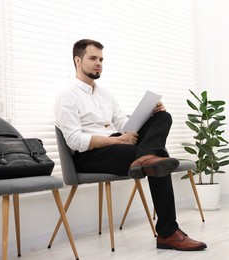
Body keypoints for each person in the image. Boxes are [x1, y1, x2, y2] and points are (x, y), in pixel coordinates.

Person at [54, 39, 207, 251]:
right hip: (91, 154)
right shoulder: (66, 96)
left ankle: (146, 157)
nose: (99, 63)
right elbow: (75, 140)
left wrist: (149, 114)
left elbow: (124, 125)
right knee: (158, 158)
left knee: (163, 117)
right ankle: (167, 233)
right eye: (93, 58)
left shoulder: (105, 94)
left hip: (118, 145)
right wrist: (116, 140)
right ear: (77, 60)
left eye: (101, 59)